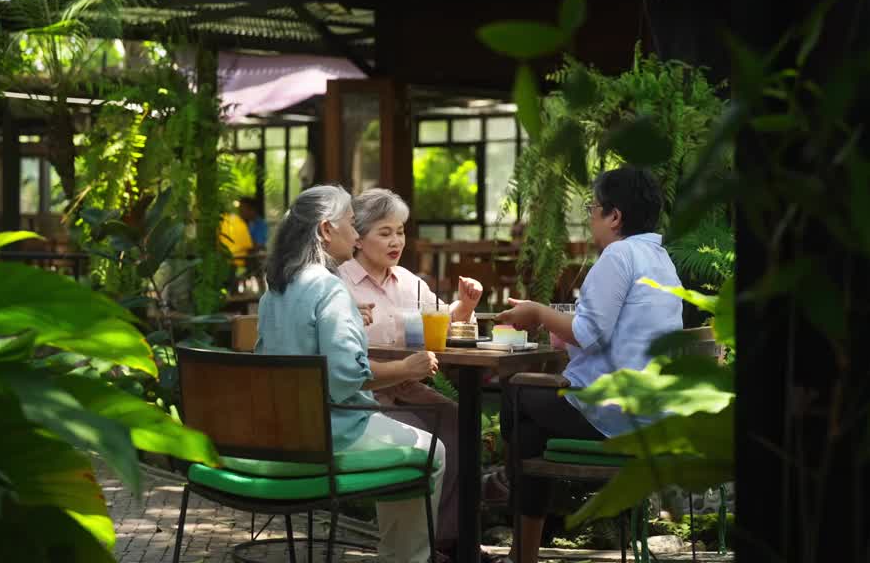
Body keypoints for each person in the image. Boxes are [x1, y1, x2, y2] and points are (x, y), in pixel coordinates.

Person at [492, 167, 683, 563]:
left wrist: (540, 313)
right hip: (653, 413)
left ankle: (504, 491)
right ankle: (521, 546)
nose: (590, 216)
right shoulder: (659, 257)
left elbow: (590, 333)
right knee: (530, 431)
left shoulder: (618, 255)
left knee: (515, 395)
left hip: (616, 413)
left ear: (615, 216)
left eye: (592, 207)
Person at [255, 184, 446, 563]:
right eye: (351, 224)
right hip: (330, 435)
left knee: (415, 446)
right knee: (432, 452)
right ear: (327, 230)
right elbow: (344, 380)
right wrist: (405, 368)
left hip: (281, 432)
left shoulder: (276, 288)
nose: (357, 234)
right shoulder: (330, 286)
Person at [340, 187, 484, 556]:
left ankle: (450, 540)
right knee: (427, 434)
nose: (396, 241)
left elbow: (442, 321)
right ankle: (415, 546)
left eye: (400, 231)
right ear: (358, 235)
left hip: (406, 386)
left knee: (459, 423)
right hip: (365, 393)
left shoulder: (407, 280)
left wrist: (465, 305)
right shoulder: (340, 282)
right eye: (384, 232)